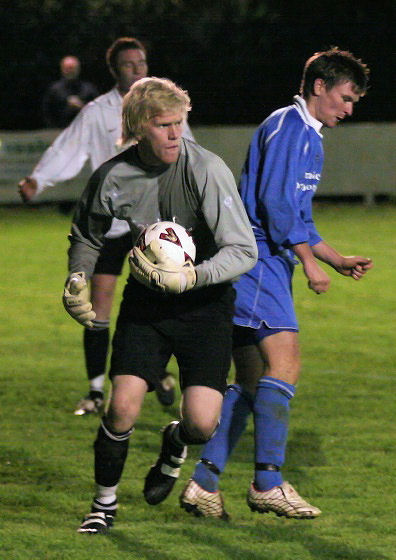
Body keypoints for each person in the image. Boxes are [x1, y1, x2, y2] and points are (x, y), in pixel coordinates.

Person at [179, 47, 373, 520]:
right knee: (284, 367)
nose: (349, 109)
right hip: (260, 261)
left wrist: (335, 258)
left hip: (262, 262)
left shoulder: (305, 132)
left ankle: (203, 484)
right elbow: (275, 206)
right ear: (320, 86)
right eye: (345, 97)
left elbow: (299, 216)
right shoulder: (291, 128)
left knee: (249, 379)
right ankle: (267, 481)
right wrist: (309, 263)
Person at [61, 77, 258, 534]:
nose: (175, 134)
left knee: (202, 425)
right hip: (147, 307)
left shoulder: (206, 169)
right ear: (137, 127)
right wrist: (77, 276)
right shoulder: (112, 176)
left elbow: (243, 249)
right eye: (164, 125)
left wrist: (193, 274)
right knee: (121, 409)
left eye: (179, 123)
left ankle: (175, 441)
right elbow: (87, 234)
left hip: (206, 307)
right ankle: (103, 505)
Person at [18, 37, 194, 414]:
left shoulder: (165, 105)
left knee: (158, 304)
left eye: (142, 62)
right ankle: (97, 391)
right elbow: (68, 147)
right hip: (111, 223)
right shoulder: (97, 112)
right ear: (114, 70)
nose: (137, 69)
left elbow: (188, 153)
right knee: (98, 308)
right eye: (129, 64)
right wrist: (39, 179)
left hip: (154, 225)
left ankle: (155, 371)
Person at [42, 55, 99, 128]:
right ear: (62, 69)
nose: (70, 71)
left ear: (78, 69)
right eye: (67, 68)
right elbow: (47, 113)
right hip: (60, 131)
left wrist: (82, 106)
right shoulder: (54, 90)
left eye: (72, 68)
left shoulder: (89, 89)